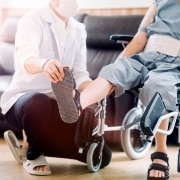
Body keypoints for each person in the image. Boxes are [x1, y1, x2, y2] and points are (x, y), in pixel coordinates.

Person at [53, 0, 180, 179]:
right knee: (114, 71)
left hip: (172, 66)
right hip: (146, 56)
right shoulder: (158, 4)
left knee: (158, 86)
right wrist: (119, 62)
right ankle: (76, 103)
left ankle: (160, 153)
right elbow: (138, 40)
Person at [0, 0, 112, 176]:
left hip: (58, 108)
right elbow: (25, 59)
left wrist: (95, 90)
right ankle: (33, 156)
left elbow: (79, 73)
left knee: (103, 156)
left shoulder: (78, 29)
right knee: (38, 102)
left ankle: (33, 142)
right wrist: (44, 64)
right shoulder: (32, 19)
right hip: (24, 102)